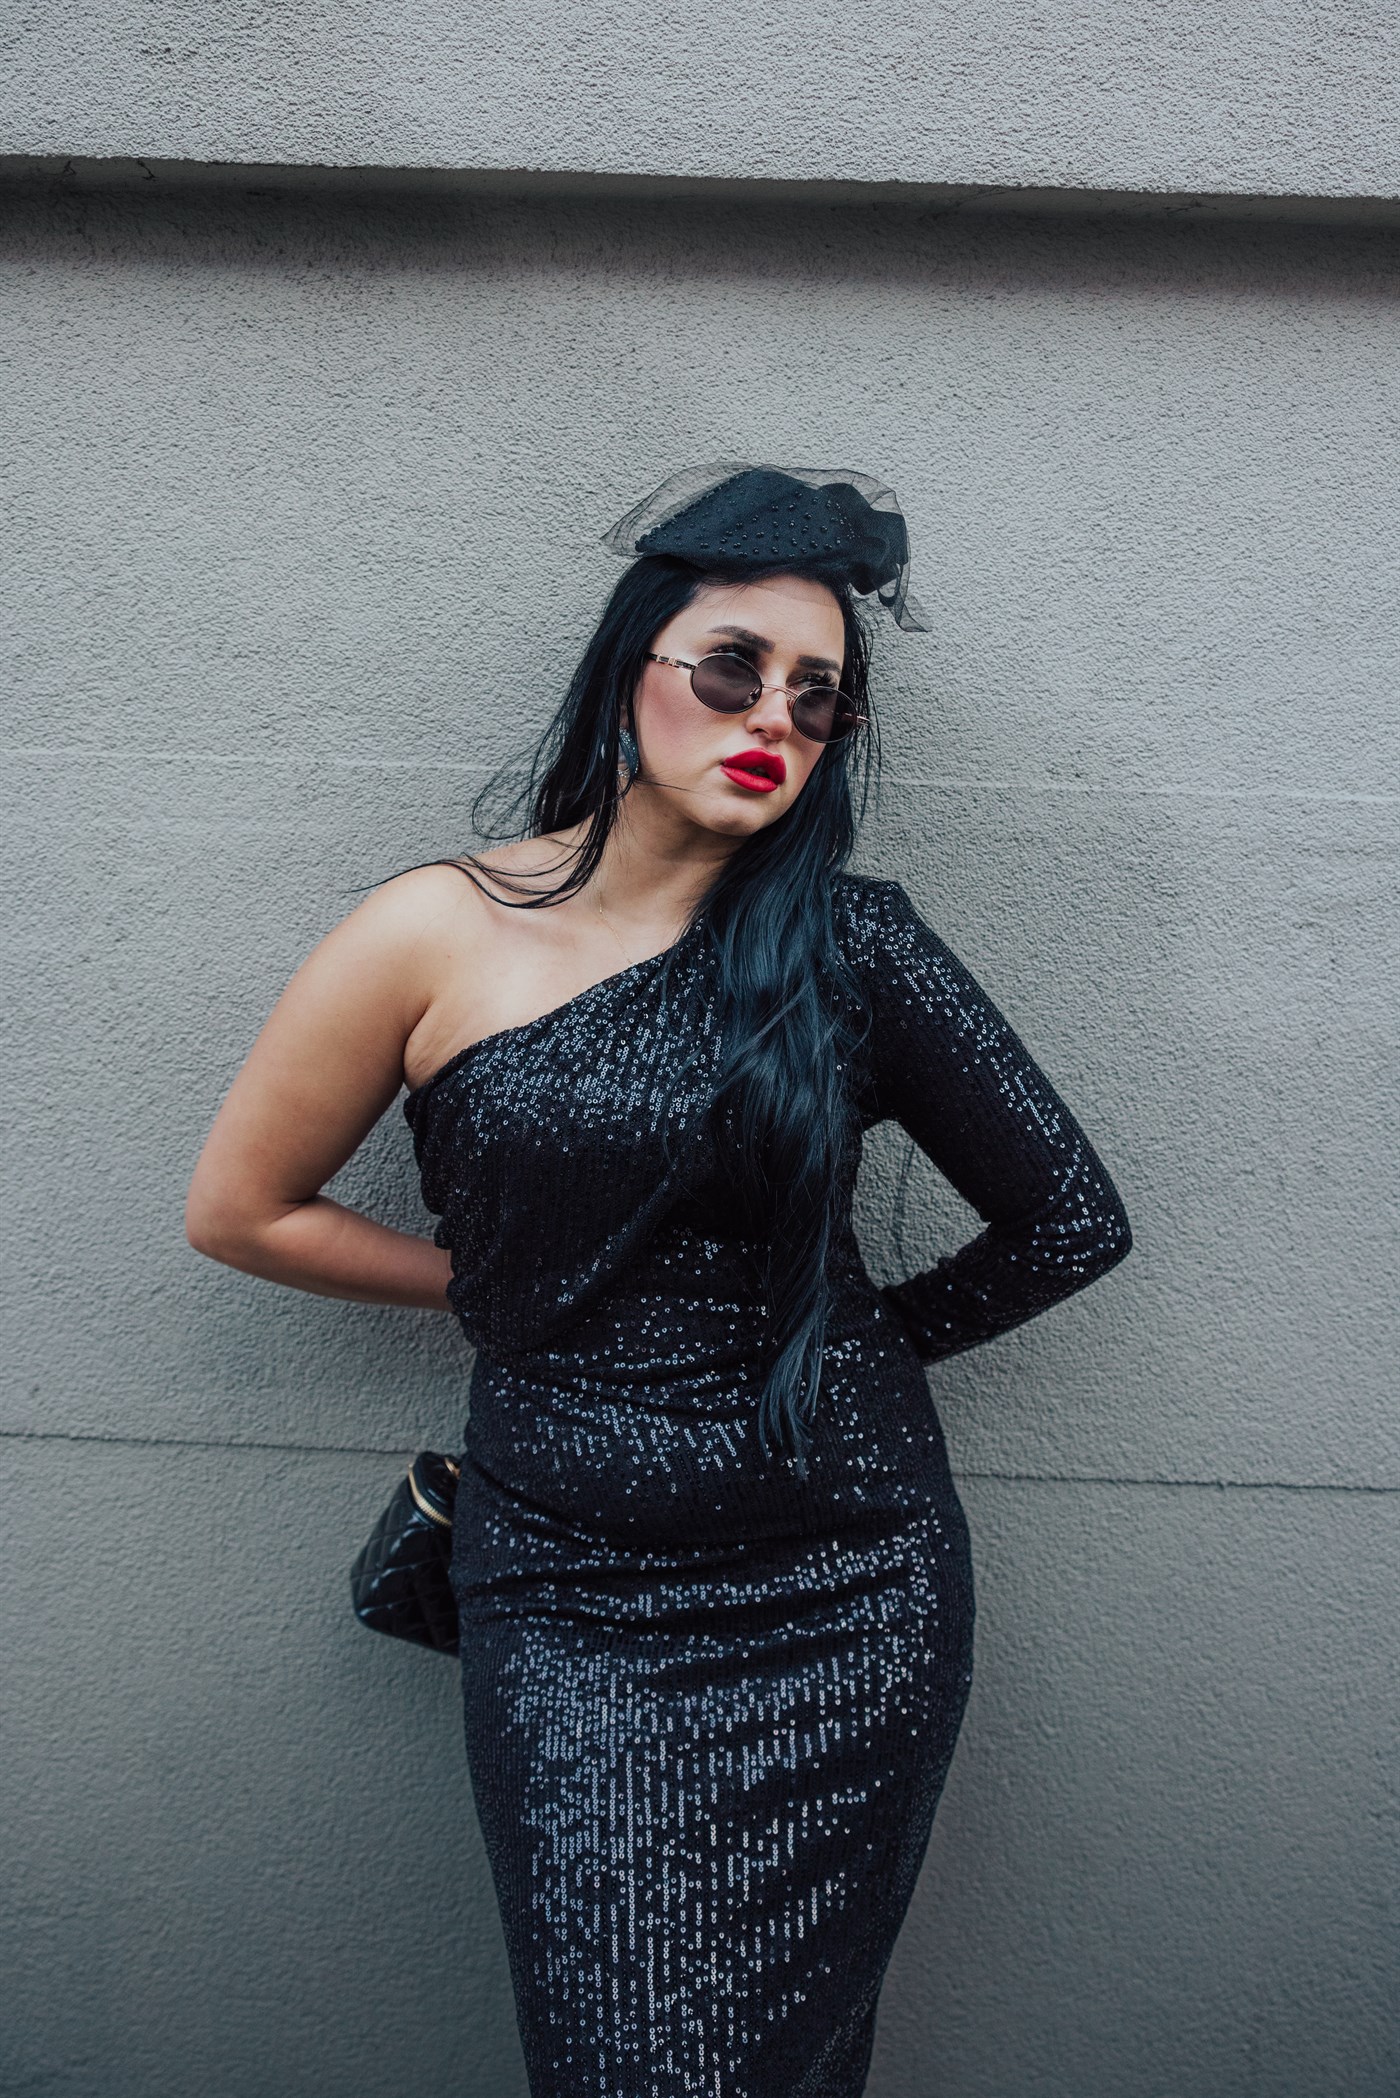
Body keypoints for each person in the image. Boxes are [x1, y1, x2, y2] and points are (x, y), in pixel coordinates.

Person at [185, 462, 1132, 2098]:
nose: (775, 716)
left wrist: (843, 1348)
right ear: (630, 674)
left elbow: (1071, 1221)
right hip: (571, 1594)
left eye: (818, 696)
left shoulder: (856, 945)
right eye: (734, 667)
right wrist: (495, 1290)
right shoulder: (433, 928)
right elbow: (243, 1210)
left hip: (848, 1586)